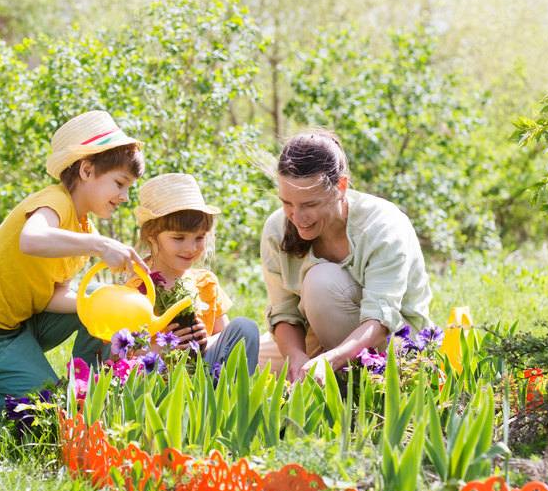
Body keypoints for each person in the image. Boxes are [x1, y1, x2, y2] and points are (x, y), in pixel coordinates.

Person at [0, 110, 148, 430]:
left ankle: (84, 391)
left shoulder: (84, 227)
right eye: (120, 184)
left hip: (17, 329)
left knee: (100, 299)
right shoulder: (54, 201)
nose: (124, 196)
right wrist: (99, 245)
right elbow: (32, 239)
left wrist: (109, 303)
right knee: (51, 414)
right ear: (86, 170)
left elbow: (54, 295)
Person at [259, 129, 433, 384]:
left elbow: (380, 322)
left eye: (310, 204)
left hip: (391, 342)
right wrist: (295, 358)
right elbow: (285, 313)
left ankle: (349, 385)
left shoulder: (382, 225)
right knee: (240, 359)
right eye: (288, 203)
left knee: (321, 282)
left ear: (340, 187)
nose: (297, 217)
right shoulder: (277, 229)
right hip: (316, 338)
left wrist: (331, 360)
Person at [125, 173, 260, 375]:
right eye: (178, 238)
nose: (191, 248)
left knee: (245, 328)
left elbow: (225, 336)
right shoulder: (139, 290)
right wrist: (162, 350)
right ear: (152, 235)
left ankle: (233, 400)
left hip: (204, 371)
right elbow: (122, 356)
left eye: (199, 237)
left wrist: (206, 340)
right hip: (159, 377)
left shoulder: (205, 284)